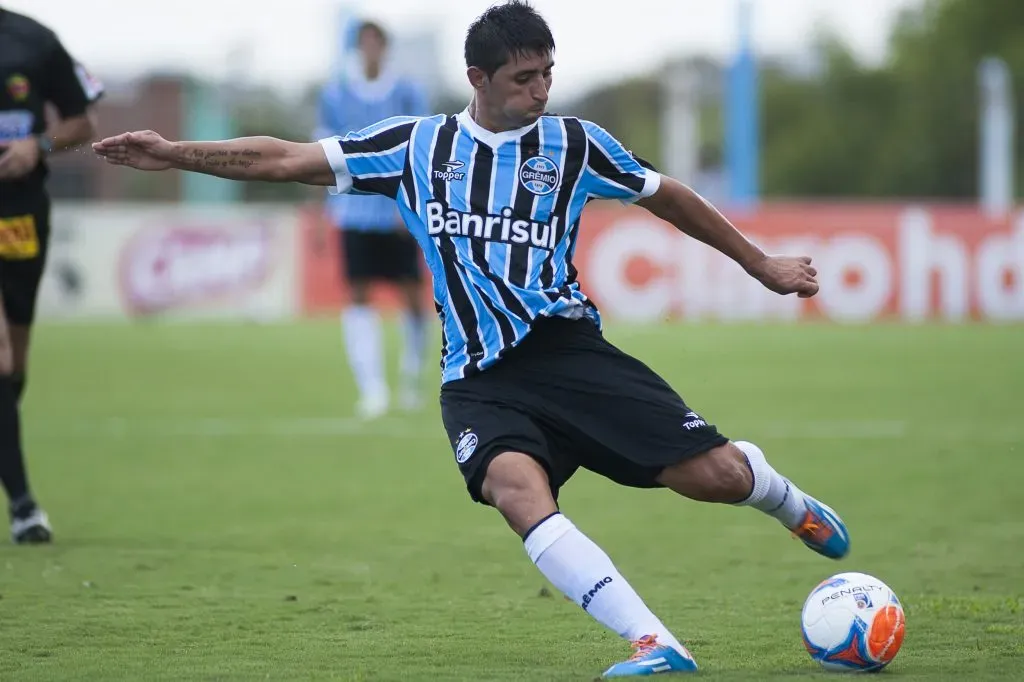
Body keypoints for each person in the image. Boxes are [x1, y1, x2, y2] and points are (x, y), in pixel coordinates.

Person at [92, 1, 849, 676]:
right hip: (477, 378)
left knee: (714, 476)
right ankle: (654, 642)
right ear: (477, 78)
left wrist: (761, 264)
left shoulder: (574, 144)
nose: (541, 91)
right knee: (515, 490)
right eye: (524, 78)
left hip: (567, 353)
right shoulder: (415, 146)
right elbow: (287, 158)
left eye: (548, 74)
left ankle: (779, 494)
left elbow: (669, 197)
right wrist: (175, 153)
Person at [1, 7, 102, 544]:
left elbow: (83, 123)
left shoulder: (34, 40)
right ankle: (23, 505)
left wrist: (36, 145)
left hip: (18, 217)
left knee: (14, 365)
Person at [313, 20, 431, 419]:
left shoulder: (406, 91)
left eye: (376, 43)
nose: (370, 50)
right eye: (363, 43)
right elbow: (319, 154)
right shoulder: (336, 94)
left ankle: (411, 378)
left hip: (397, 210)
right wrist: (321, 212)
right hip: (353, 211)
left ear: (385, 47)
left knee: (412, 295)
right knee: (359, 293)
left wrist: (411, 206)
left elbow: (422, 150)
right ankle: (372, 388)